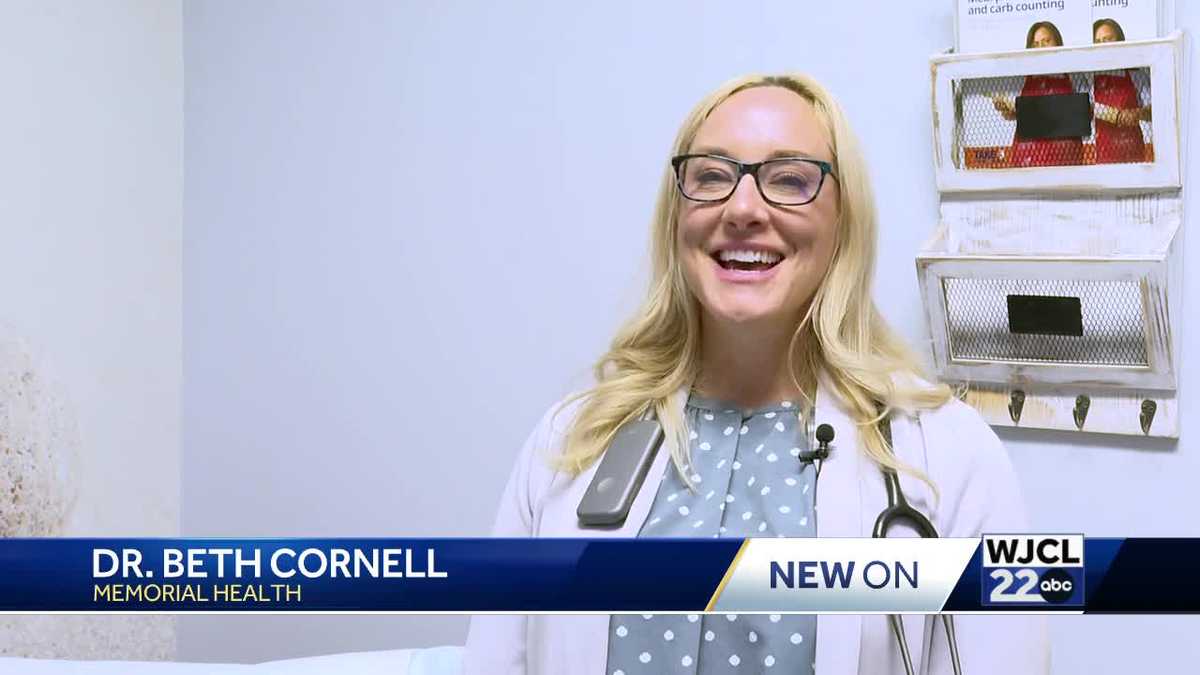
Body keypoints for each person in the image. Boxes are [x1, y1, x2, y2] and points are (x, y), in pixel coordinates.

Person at [463, 73, 1048, 674]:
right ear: (676, 215)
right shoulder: (571, 441)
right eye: (711, 177)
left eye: (789, 179)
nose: (742, 209)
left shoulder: (949, 456)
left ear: (844, 221)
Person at [991, 21, 1084, 167]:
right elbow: (1013, 115)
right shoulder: (1023, 75)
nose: (1041, 47)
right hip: (1028, 158)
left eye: (1046, 41)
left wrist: (1024, 108)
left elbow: (1083, 112)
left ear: (1058, 43)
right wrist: (1005, 107)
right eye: (1036, 44)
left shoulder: (1074, 73)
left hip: (1066, 158)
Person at [1092, 18, 1152, 164]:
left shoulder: (1136, 74)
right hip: (1103, 152)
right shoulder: (1089, 75)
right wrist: (1117, 116)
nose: (1103, 45)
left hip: (1133, 148)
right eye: (1098, 42)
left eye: (1108, 39)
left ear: (1120, 41)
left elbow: (1152, 109)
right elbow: (1085, 105)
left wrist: (1137, 113)